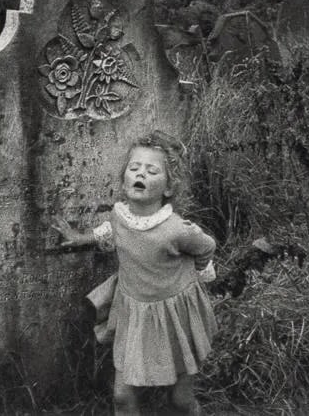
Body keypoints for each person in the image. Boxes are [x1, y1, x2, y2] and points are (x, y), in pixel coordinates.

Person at [53, 131, 217, 415]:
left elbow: (206, 247)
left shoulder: (176, 230)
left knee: (179, 402)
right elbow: (112, 230)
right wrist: (82, 238)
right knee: (122, 398)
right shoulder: (120, 214)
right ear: (125, 177)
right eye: (134, 168)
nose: (140, 173)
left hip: (175, 315)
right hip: (134, 314)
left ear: (168, 188)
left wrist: (200, 281)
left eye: (152, 170)